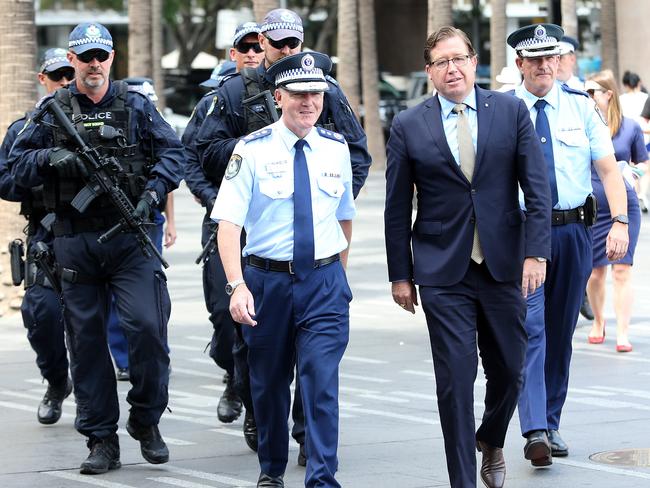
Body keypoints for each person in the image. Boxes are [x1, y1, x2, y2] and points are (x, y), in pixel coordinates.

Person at [195, 8, 371, 463]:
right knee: (239, 333)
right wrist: (229, 195)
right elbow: (195, 155)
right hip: (244, 237)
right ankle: (256, 407)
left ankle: (308, 437)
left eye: (293, 44)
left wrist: (323, 202)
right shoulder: (232, 94)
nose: (282, 51)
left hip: (316, 260)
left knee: (316, 369)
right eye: (271, 45)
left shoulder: (324, 91)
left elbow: (356, 155)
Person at [8, 22, 184, 474]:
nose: (93, 64)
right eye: (85, 56)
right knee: (85, 345)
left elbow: (174, 155)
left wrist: (152, 192)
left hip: (129, 238)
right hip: (74, 241)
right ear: (72, 59)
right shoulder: (50, 113)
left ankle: (145, 419)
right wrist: (49, 158)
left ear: (111, 59)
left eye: (101, 55)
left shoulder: (137, 106)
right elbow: (8, 175)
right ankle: (101, 439)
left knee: (147, 330)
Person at [384, 26, 552, 488]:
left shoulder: (511, 111)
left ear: (473, 62)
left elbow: (538, 191)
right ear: (429, 72)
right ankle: (462, 480)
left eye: (458, 59)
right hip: (442, 270)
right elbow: (397, 206)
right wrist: (401, 274)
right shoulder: (408, 124)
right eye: (441, 62)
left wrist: (536, 253)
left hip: (504, 264)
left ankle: (492, 438)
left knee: (512, 369)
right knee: (456, 381)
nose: (452, 68)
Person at [214, 51, 354, 488]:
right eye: (299, 94)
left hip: (324, 282)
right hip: (266, 282)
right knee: (270, 385)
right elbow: (229, 224)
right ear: (279, 97)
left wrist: (340, 274)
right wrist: (237, 286)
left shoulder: (337, 148)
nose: (309, 102)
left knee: (320, 381)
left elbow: (344, 215)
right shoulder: (250, 150)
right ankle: (271, 470)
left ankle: (322, 478)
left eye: (316, 93)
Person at [508, 23, 629, 468]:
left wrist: (620, 222)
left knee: (560, 333)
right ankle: (534, 428)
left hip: (574, 232)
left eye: (550, 57)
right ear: (519, 64)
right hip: (523, 237)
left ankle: (550, 422)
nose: (543, 65)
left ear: (559, 61)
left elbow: (609, 169)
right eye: (534, 59)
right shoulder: (504, 109)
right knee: (531, 328)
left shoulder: (580, 108)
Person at [184, 22, 264, 439]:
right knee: (223, 316)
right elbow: (189, 157)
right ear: (233, 53)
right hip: (222, 223)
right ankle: (232, 376)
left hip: (268, 227)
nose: (252, 53)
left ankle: (253, 405)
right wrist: (211, 199)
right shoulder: (218, 100)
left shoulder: (282, 95)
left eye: (258, 46)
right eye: (244, 47)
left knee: (257, 324)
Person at [0, 48, 74, 425]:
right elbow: (6, 182)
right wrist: (42, 165)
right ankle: (56, 382)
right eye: (57, 76)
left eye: (68, 75)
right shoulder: (24, 129)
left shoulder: (98, 121)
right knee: (42, 317)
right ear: (42, 79)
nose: (64, 83)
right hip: (47, 237)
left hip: (94, 236)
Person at [106, 77, 177, 382]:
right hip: (102, 225)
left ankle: (154, 354)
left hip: (146, 219)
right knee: (111, 299)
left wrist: (167, 217)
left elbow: (170, 171)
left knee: (150, 295)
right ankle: (123, 358)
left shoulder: (148, 119)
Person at [584, 73, 644, 352]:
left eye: (592, 91)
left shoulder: (629, 127)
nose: (587, 96)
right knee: (595, 272)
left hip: (625, 204)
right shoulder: (584, 124)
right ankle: (598, 321)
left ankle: (622, 332)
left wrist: (633, 173)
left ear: (608, 94)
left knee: (622, 270)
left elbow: (643, 162)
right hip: (593, 205)